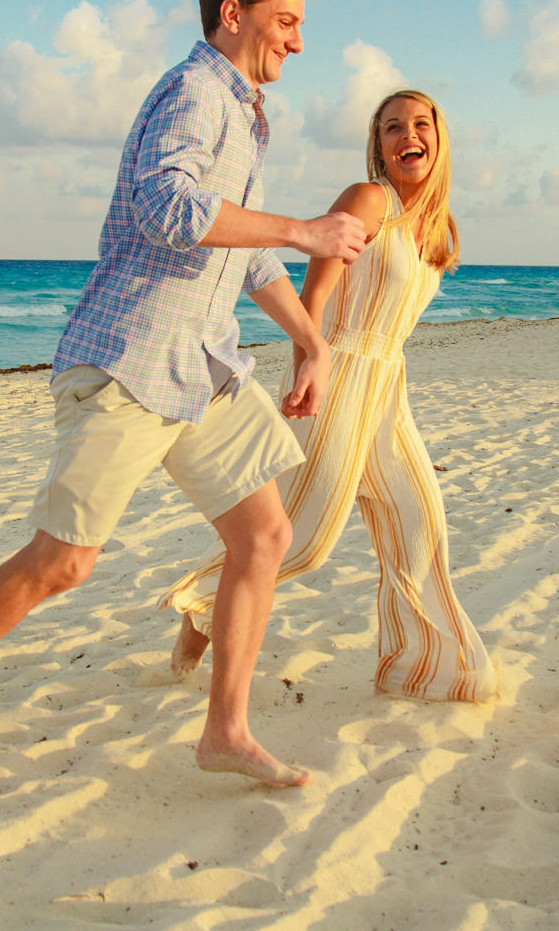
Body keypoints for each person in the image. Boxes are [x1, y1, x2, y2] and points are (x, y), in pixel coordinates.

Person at [0, 0, 368, 787]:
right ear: (235, 14)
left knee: (264, 535)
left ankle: (225, 730)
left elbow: (242, 257)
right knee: (64, 562)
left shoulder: (248, 114)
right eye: (287, 20)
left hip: (201, 364)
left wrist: (312, 338)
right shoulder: (193, 93)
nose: (299, 42)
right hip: (128, 363)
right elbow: (169, 209)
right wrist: (303, 229)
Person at [162, 90, 499, 705]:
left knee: (418, 523)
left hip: (388, 393)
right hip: (336, 381)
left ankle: (423, 670)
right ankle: (199, 614)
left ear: (439, 138)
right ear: (380, 145)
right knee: (304, 542)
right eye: (392, 127)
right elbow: (313, 294)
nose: (406, 136)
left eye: (419, 124)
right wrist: (304, 370)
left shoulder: (439, 225)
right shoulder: (369, 201)